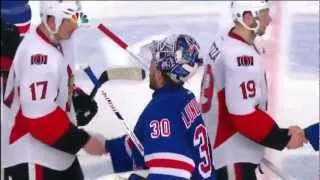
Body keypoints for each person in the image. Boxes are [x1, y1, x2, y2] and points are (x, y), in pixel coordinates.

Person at [200, 1, 307, 179]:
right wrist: (283, 138)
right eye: (264, 13)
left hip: (220, 149)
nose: (270, 19)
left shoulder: (226, 38)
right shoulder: (240, 58)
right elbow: (244, 117)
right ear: (248, 17)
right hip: (232, 155)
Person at [3, 1, 104, 180]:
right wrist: (84, 141)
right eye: (71, 20)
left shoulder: (57, 40)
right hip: (33, 157)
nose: (76, 25)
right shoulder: (38, 56)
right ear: (52, 21)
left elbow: (55, 78)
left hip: (58, 153)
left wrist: (72, 97)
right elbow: (39, 120)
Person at [105, 34, 216, 179]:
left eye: (153, 60)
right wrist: (109, 146)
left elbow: (172, 174)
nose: (149, 66)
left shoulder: (161, 111)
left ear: (159, 72)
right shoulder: (185, 97)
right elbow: (148, 139)